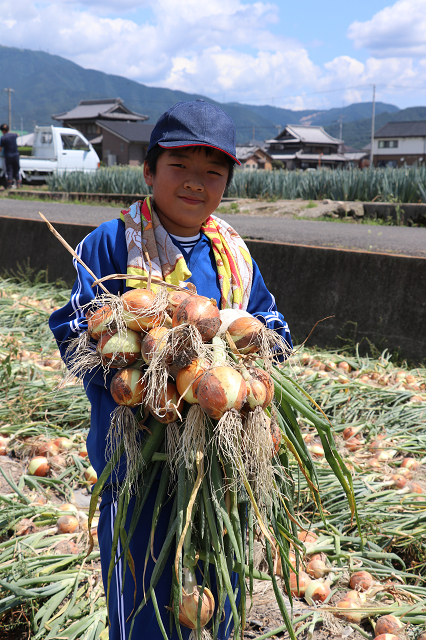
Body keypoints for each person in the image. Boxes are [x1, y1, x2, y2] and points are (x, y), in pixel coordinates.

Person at [49, 100, 292, 640]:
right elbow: (73, 332)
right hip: (135, 459)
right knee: (142, 599)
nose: (194, 183)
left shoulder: (233, 253)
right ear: (149, 171)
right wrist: (134, 360)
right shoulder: (109, 243)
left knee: (218, 590)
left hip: (221, 463)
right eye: (179, 167)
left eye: (212, 172)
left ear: (227, 183)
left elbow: (273, 325)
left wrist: (248, 352)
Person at [0, 124, 21, 189]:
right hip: (16, 155)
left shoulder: (3, 138)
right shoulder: (13, 135)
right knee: (17, 170)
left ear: (3, 131)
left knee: (9, 170)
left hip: (8, 156)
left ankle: (9, 185)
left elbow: (0, 148)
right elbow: (17, 134)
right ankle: (19, 185)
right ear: (8, 129)